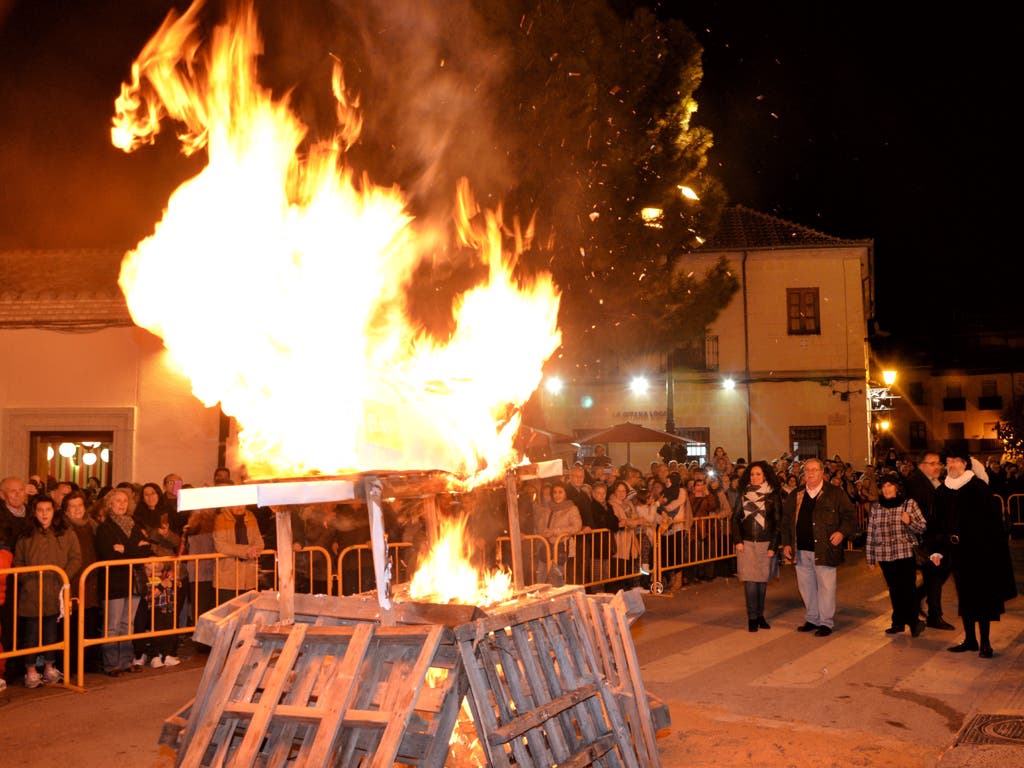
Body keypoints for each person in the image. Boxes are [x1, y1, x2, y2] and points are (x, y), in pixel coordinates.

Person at [927, 450, 1017, 658]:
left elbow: (992, 524)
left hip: (979, 551)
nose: (952, 465)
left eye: (956, 461)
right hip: (954, 551)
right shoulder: (942, 491)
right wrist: (936, 550)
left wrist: (988, 548)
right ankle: (970, 640)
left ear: (965, 464)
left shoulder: (978, 488)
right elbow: (936, 523)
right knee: (964, 596)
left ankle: (985, 642)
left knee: (982, 596)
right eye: (949, 461)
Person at [781, 457, 858, 636]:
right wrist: (786, 543)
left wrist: (841, 533)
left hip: (825, 549)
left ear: (822, 473)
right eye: (807, 470)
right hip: (801, 549)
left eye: (814, 470)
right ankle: (812, 618)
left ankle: (826, 623)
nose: (810, 473)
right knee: (806, 587)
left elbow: (850, 516)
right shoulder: (797, 494)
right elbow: (786, 522)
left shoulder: (835, 493)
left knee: (826, 587)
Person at [14, 495, 82, 687]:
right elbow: (18, 561)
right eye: (40, 510)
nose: (44, 514)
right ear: (34, 513)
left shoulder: (65, 533)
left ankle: (50, 666)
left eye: (48, 510)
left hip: (55, 589)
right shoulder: (26, 535)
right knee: (32, 633)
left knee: (52, 630)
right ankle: (31, 669)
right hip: (32, 591)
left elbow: (75, 557)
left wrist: (63, 576)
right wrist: (26, 579)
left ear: (54, 512)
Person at [94, 487, 152, 676]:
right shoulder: (105, 527)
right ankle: (111, 665)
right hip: (113, 581)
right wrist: (134, 548)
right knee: (113, 625)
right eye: (117, 501)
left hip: (132, 580)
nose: (121, 504)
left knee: (128, 624)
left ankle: (126, 661)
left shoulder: (133, 525)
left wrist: (125, 549)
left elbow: (145, 550)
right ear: (110, 504)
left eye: (124, 501)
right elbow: (108, 554)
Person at [865, 473, 927, 637]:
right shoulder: (876, 508)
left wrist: (909, 522)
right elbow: (871, 533)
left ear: (897, 487)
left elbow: (922, 527)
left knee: (908, 589)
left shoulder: (909, 504)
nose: (886, 489)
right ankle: (898, 622)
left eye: (889, 485)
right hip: (884, 556)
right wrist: (870, 558)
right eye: (884, 486)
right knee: (894, 589)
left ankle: (914, 622)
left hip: (904, 553)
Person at [730, 461, 782, 632]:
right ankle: (752, 617)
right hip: (746, 544)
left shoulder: (772, 495)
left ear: (765, 475)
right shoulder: (743, 494)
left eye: (758, 474)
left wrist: (773, 546)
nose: (754, 477)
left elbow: (777, 523)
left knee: (761, 582)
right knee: (750, 582)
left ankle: (760, 616)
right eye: (752, 474)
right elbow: (735, 519)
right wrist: (738, 540)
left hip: (765, 543)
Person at [905, 451, 954, 629]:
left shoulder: (933, 482)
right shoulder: (916, 483)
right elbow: (922, 513)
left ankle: (919, 599)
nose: (937, 467)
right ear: (921, 465)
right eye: (932, 463)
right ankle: (934, 615)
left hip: (937, 537)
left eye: (938, 463)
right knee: (934, 575)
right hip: (926, 539)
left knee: (941, 572)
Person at [63, 491, 103, 674]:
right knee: (70, 625)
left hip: (91, 580)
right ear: (66, 510)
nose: (77, 510)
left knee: (89, 621)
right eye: (73, 506)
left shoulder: (92, 526)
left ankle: (87, 661)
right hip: (72, 580)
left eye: (80, 505)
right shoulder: (63, 528)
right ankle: (70, 664)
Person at [212, 504, 264, 604]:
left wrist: (255, 549)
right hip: (227, 578)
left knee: (248, 613)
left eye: (242, 503)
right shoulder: (221, 519)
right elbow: (220, 545)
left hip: (248, 577)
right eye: (236, 504)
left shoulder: (251, 517)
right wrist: (246, 551)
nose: (239, 506)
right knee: (228, 613)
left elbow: (259, 541)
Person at [533, 481, 582, 587]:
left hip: (561, 546)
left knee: (557, 576)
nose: (557, 495)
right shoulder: (548, 509)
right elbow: (540, 525)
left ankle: (557, 600)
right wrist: (544, 531)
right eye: (555, 492)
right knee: (541, 574)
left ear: (565, 494)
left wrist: (555, 531)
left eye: (560, 492)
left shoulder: (572, 509)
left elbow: (576, 526)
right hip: (546, 545)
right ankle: (540, 597)